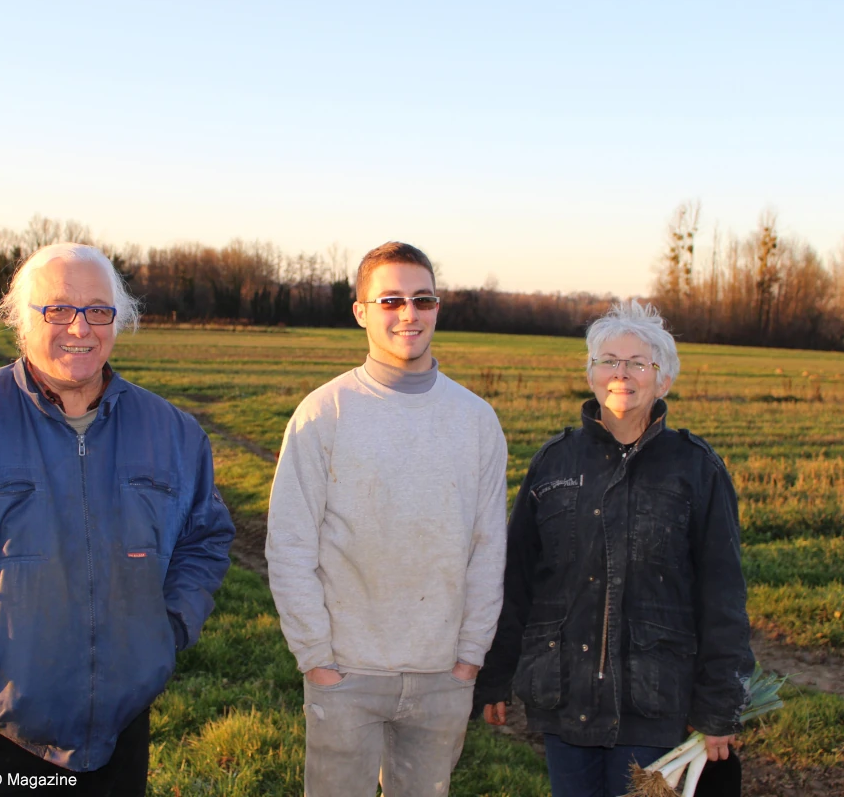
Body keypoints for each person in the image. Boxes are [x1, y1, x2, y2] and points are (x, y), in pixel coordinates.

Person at [0, 243, 235, 796]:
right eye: (58, 309)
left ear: (119, 320)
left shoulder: (174, 434)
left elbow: (204, 540)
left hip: (118, 737)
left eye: (98, 310)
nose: (80, 327)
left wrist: (163, 634)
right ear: (21, 321)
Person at [475, 300, 753, 797]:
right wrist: (495, 675)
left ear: (663, 381)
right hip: (566, 698)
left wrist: (719, 704)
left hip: (653, 700)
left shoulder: (696, 469)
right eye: (608, 361)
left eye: (637, 363)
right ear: (590, 374)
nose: (620, 373)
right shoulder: (554, 462)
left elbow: (722, 595)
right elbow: (516, 579)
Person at [265, 241, 508, 796]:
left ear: (437, 308)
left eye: (423, 300)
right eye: (390, 300)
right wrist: (318, 661)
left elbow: (488, 546)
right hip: (346, 674)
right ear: (361, 312)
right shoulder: (324, 412)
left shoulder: (476, 420)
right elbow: (290, 547)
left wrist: (469, 659)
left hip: (442, 675)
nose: (408, 314)